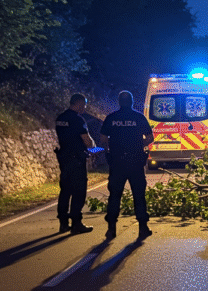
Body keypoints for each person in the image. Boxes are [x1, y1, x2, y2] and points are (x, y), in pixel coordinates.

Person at [100, 90, 154, 240]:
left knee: (115, 196)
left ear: (119, 102)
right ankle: (143, 228)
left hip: (117, 162)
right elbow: (150, 137)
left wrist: (111, 149)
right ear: (131, 101)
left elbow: (103, 139)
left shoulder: (111, 118)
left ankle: (111, 229)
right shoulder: (139, 117)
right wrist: (138, 145)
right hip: (136, 162)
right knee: (139, 195)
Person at [55, 93, 95, 234]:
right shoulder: (78, 120)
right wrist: (92, 148)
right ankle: (76, 223)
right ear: (78, 103)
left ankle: (63, 223)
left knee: (65, 191)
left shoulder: (60, 118)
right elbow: (86, 140)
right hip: (77, 160)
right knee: (78, 192)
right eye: (83, 104)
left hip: (64, 159)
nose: (84, 108)